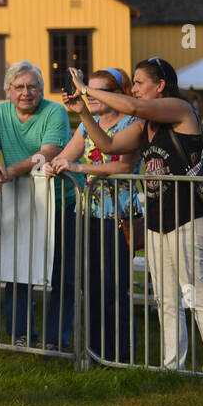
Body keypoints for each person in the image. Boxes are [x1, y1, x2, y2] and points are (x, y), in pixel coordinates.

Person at [80, 58, 203, 375]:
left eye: (139, 81)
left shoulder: (178, 109)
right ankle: (172, 367)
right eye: (133, 83)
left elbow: (134, 106)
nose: (134, 88)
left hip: (189, 217)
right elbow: (108, 145)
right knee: (165, 298)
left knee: (197, 293)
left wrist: (85, 89)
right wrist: (83, 111)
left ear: (160, 85)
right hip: (157, 220)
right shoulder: (143, 125)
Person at [0, 61, 73, 349]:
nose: (26, 92)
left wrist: (6, 172)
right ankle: (20, 334)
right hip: (21, 203)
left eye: (33, 87)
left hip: (60, 201)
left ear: (41, 89)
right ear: (8, 91)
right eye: (19, 87)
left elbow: (47, 154)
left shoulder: (55, 111)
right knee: (17, 269)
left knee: (62, 273)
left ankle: (56, 339)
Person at [48, 68, 141, 363]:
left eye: (96, 90)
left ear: (117, 95)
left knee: (116, 286)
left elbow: (124, 167)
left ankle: (121, 355)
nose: (89, 94)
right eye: (88, 89)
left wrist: (79, 169)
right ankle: (97, 352)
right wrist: (54, 164)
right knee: (92, 286)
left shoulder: (132, 122)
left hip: (119, 215)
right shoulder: (90, 124)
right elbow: (67, 155)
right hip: (88, 211)